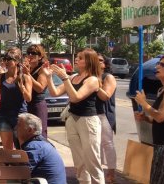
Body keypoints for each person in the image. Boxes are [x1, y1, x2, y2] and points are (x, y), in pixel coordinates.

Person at [47, 48, 103, 183]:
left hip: (88, 121)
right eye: (77, 57)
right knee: (79, 162)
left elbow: (75, 97)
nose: (76, 60)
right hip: (73, 119)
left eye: (80, 58)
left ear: (89, 61)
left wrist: (64, 77)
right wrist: (49, 77)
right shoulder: (73, 78)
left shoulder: (93, 80)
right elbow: (55, 92)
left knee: (92, 160)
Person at [134, 56, 164, 184]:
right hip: (161, 145)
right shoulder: (163, 90)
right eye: (158, 64)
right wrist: (145, 117)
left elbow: (161, 116)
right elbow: (162, 119)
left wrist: (144, 104)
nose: (157, 67)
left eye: (162, 65)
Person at [0, 47, 32, 150]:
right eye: (5, 59)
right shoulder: (0, 77)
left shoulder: (25, 77)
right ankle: (9, 165)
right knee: (7, 149)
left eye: (9, 59)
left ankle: (21, 166)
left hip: (20, 115)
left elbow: (28, 98)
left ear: (17, 61)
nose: (6, 62)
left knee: (22, 148)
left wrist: (22, 88)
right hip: (4, 115)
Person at [16, 113, 66, 184]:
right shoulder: (42, 143)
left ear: (30, 130)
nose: (16, 128)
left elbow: (19, 174)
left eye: (19, 125)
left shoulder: (34, 147)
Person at [96, 54, 117, 182]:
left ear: (105, 64)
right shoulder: (90, 76)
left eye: (100, 60)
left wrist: (96, 84)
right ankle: (98, 172)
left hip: (104, 114)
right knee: (95, 145)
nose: (98, 62)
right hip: (92, 114)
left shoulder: (108, 77)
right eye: (95, 60)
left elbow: (106, 95)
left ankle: (111, 173)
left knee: (107, 144)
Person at [25, 44, 50, 139]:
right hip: (27, 104)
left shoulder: (42, 70)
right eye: (28, 53)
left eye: (34, 53)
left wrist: (28, 74)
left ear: (40, 56)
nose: (30, 55)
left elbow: (40, 88)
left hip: (37, 105)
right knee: (28, 134)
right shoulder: (28, 68)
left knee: (39, 134)